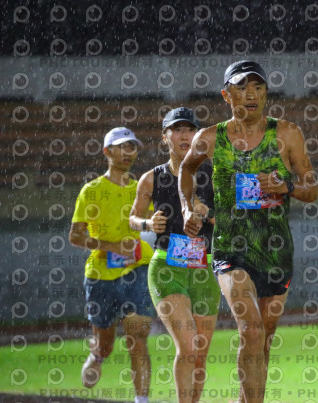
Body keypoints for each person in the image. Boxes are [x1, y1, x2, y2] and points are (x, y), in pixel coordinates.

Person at [178, 60, 318, 403]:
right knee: (251, 329)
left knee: (263, 341)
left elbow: (312, 189)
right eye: (242, 88)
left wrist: (286, 187)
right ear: (226, 95)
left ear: (266, 93)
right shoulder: (210, 138)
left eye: (258, 87)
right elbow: (186, 170)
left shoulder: (287, 133)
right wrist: (186, 206)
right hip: (231, 249)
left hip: (276, 251)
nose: (251, 94)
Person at [129, 107, 220, 403]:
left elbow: (233, 219)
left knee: (201, 353)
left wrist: (208, 214)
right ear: (165, 137)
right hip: (167, 267)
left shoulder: (213, 174)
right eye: (177, 130)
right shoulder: (151, 178)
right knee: (188, 347)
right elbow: (133, 218)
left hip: (204, 268)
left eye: (190, 130)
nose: (184, 135)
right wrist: (147, 224)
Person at [68, 127, 154, 403]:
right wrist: (111, 246)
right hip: (101, 276)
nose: (128, 152)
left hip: (137, 270)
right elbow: (75, 236)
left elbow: (153, 226)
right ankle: (98, 354)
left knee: (137, 337)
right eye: (122, 146)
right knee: (106, 343)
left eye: (132, 147)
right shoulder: (92, 191)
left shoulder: (142, 189)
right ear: (107, 151)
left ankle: (142, 400)